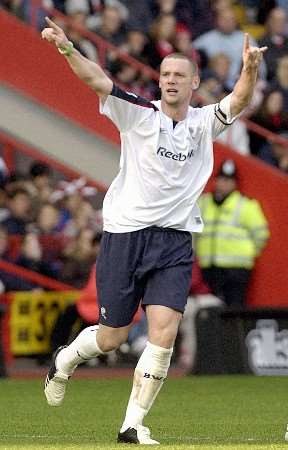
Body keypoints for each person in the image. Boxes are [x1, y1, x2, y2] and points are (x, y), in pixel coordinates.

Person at [41, 17, 267, 445]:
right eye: (165, 74)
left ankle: (132, 424)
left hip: (175, 241)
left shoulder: (203, 122)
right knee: (112, 337)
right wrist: (68, 48)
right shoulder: (138, 114)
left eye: (179, 75)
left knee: (163, 334)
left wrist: (251, 68)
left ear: (195, 81)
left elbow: (236, 101)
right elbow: (99, 80)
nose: (170, 81)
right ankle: (66, 358)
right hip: (126, 235)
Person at [195, 159, 269, 308]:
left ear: (235, 184)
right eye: (221, 179)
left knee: (234, 310)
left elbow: (261, 235)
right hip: (208, 268)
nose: (224, 184)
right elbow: (192, 233)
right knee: (209, 312)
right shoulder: (203, 203)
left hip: (237, 269)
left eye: (228, 180)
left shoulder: (245, 205)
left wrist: (248, 254)